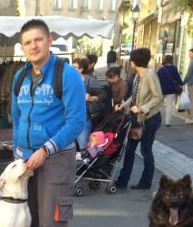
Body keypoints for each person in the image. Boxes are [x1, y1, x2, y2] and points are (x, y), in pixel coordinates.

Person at [10, 19, 85, 227]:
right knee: (27, 215)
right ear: (22, 46)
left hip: (55, 158)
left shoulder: (67, 75)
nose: (33, 46)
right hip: (26, 159)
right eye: (27, 42)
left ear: (49, 40)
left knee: (52, 217)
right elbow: (16, 117)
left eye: (38, 40)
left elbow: (76, 121)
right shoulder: (20, 77)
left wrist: (46, 149)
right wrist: (19, 149)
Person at [114, 48, 163, 191]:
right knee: (130, 149)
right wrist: (122, 106)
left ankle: (146, 182)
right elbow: (133, 97)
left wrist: (142, 108)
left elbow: (158, 97)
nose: (130, 62)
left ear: (135, 62)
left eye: (131, 60)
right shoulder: (138, 76)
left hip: (150, 119)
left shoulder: (150, 75)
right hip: (137, 119)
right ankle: (123, 180)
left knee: (146, 150)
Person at [72, 57, 108, 149]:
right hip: (70, 118)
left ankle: (86, 163)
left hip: (84, 119)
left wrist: (91, 98)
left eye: (74, 67)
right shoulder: (69, 80)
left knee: (84, 147)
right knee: (71, 147)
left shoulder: (90, 81)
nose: (71, 69)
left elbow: (103, 95)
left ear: (81, 69)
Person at [156, 54, 185, 127]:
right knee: (169, 105)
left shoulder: (161, 69)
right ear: (171, 60)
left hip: (162, 89)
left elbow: (156, 79)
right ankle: (167, 122)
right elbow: (178, 78)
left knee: (159, 105)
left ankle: (157, 120)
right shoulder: (174, 68)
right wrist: (182, 83)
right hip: (171, 89)